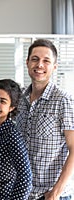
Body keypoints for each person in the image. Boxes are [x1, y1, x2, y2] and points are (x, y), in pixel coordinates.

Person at [16, 39, 74, 199]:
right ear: (27, 63)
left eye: (46, 61)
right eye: (35, 59)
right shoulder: (19, 98)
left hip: (51, 195)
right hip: (22, 192)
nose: (39, 65)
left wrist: (55, 193)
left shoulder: (63, 100)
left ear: (54, 67)